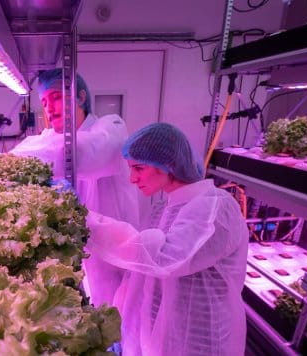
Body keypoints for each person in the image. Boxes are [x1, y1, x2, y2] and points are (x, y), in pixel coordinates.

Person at [0, 68, 140, 307]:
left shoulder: (110, 127)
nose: (49, 108)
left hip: (110, 251)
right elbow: (35, 150)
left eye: (56, 98)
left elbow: (79, 153)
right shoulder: (48, 138)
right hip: (75, 248)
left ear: (80, 97)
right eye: (44, 102)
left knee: (114, 311)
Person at [87, 122, 249, 356]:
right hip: (162, 335)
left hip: (201, 339)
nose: (132, 178)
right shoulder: (164, 208)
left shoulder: (215, 206)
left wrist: (87, 221)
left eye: (139, 168)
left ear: (168, 165)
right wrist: (122, 327)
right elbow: (140, 275)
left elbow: (163, 258)